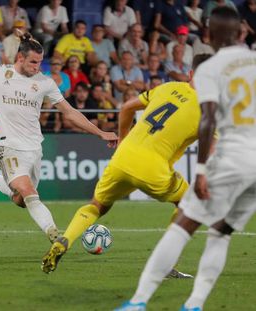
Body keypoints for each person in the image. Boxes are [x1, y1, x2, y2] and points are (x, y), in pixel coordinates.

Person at [114, 7, 256, 311]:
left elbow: (207, 121)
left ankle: (138, 302)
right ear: (242, 33)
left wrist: (202, 170)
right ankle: (194, 304)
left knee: (182, 225)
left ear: (208, 35)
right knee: (221, 233)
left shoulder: (211, 68)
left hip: (234, 156)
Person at [0, 33, 118, 242]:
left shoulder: (45, 83)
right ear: (20, 58)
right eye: (33, 62)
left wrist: (100, 132)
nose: (37, 67)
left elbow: (69, 112)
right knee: (27, 190)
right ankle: (56, 236)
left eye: (40, 62)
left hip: (35, 149)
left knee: (21, 199)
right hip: (9, 147)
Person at [41, 54, 212, 277]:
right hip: (154, 168)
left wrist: (122, 140)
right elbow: (211, 148)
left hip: (122, 158)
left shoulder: (167, 87)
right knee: (189, 205)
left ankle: (64, 241)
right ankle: (165, 264)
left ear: (190, 74)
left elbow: (126, 108)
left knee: (97, 205)